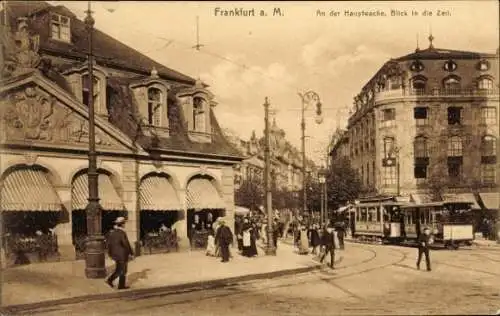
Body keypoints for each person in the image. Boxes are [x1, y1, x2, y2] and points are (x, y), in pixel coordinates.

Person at [106, 217, 134, 290]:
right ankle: (121, 285)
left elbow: (108, 244)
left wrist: (110, 254)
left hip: (115, 254)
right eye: (124, 223)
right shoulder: (122, 233)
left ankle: (110, 280)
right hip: (122, 254)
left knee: (118, 269)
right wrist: (131, 253)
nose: (125, 224)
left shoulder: (112, 232)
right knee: (123, 270)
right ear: (122, 224)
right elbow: (126, 244)